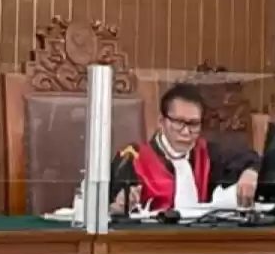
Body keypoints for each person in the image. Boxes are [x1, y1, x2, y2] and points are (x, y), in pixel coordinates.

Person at [109, 83, 261, 213]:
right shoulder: (132, 158)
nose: (186, 132)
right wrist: (118, 207)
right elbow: (108, 208)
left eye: (193, 124)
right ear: (161, 122)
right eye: (178, 122)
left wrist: (251, 172)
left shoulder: (208, 153)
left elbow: (251, 159)